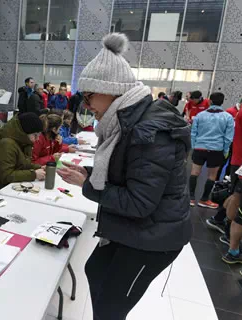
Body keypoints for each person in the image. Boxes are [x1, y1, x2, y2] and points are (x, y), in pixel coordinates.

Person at [57, 33, 192, 320]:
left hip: (154, 238)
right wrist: (90, 174)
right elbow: (126, 173)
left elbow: (139, 202)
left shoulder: (147, 132)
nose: (86, 103)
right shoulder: (125, 121)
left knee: (111, 305)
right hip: (138, 226)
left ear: (111, 89)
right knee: (94, 269)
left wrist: (88, 186)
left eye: (90, 95)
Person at [189, 92, 234, 209]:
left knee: (194, 173)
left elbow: (193, 133)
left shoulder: (200, 115)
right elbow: (228, 137)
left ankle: (191, 198)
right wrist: (225, 151)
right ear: (222, 102)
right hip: (216, 149)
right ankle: (204, 199)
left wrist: (194, 146)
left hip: (199, 147)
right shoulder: (228, 117)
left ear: (210, 101)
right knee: (212, 175)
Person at [0, 112, 45, 193]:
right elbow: (6, 176)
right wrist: (34, 174)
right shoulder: (6, 144)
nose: (37, 139)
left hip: (8, 187)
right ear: (24, 132)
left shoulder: (23, 143)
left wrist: (38, 167)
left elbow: (23, 164)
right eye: (35, 135)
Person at [220, 103, 242, 267]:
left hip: (241, 160)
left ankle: (228, 235)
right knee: (237, 199)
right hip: (241, 161)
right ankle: (230, 239)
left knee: (237, 197)